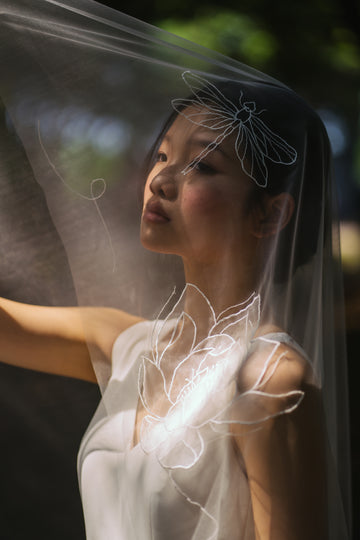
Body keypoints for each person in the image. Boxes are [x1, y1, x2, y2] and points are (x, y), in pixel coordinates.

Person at [0, 1, 351, 539]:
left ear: (272, 212)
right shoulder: (127, 344)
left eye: (202, 165)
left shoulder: (270, 381)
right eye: (162, 155)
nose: (161, 179)